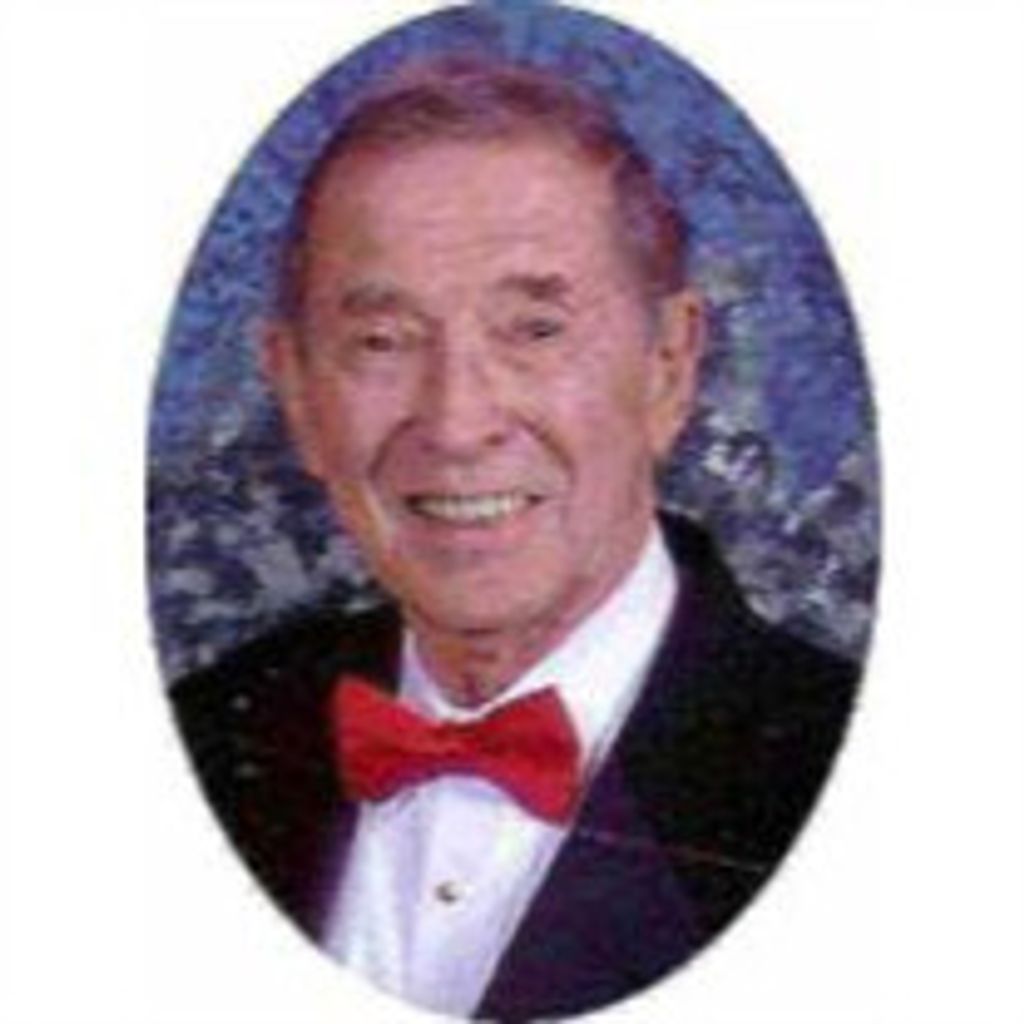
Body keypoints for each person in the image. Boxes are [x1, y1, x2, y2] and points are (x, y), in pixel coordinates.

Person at [171, 57, 857, 1021]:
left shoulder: (855, 773)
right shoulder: (197, 738)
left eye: (534, 330)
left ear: (668, 366)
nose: (457, 423)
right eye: (382, 341)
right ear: (294, 388)